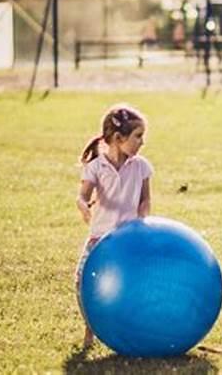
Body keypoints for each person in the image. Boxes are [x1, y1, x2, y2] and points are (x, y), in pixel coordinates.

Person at [75, 103, 152, 347]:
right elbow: (82, 195)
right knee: (82, 281)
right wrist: (83, 205)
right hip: (100, 237)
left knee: (133, 283)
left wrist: (141, 220)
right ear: (119, 138)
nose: (142, 142)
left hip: (129, 237)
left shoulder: (141, 166)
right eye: (138, 136)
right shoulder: (96, 167)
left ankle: (133, 326)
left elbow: (145, 199)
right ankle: (91, 329)